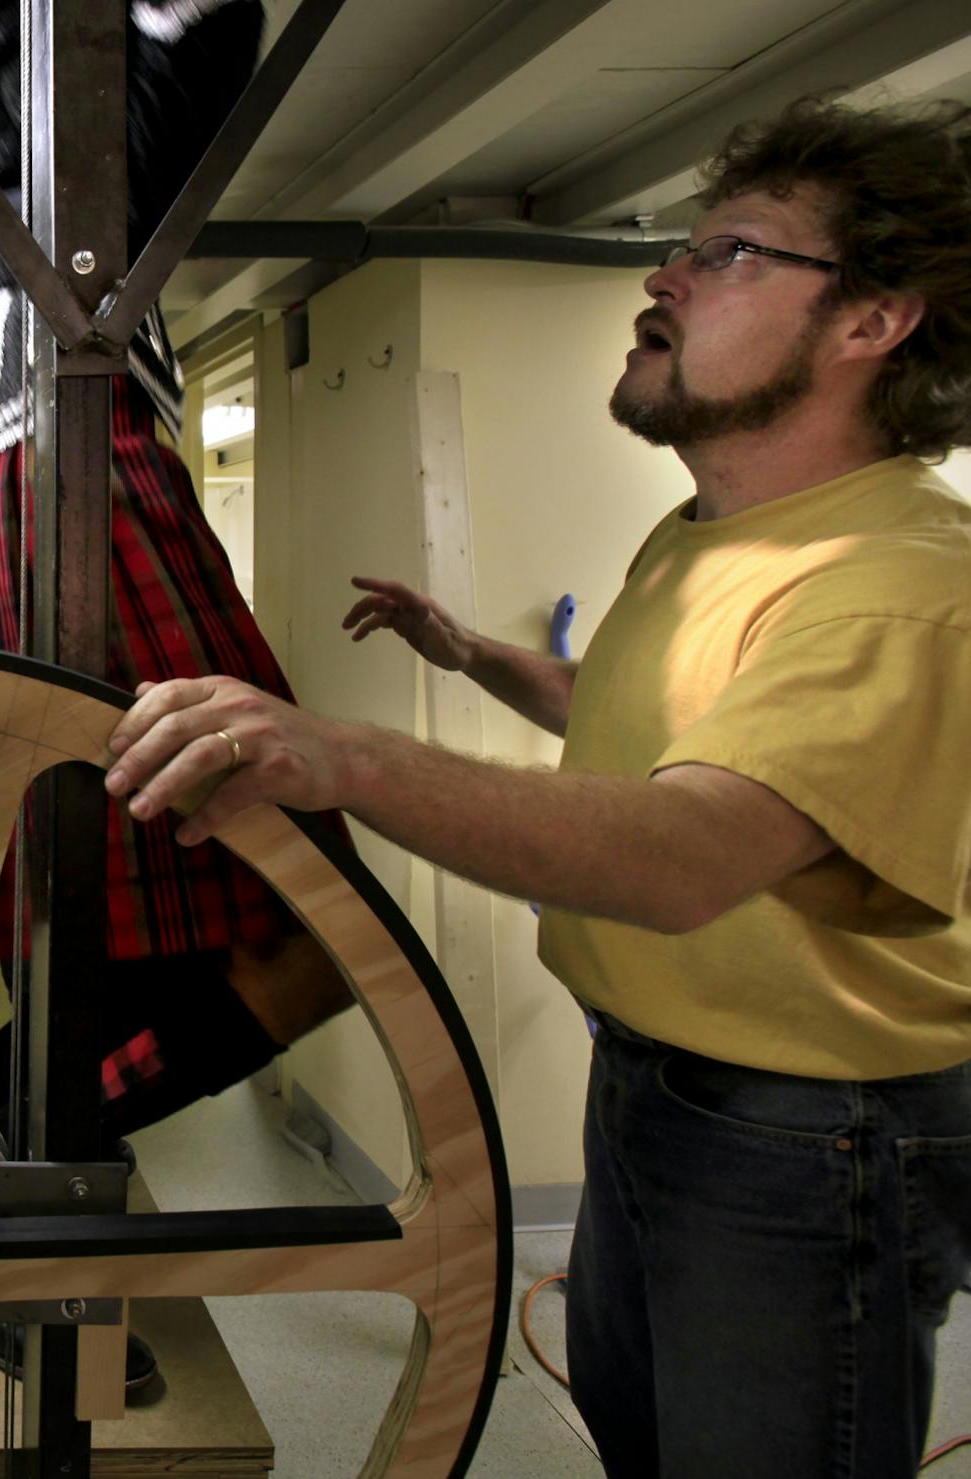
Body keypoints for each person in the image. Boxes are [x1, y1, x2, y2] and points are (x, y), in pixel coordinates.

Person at [105, 96, 971, 1477]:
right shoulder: (708, 533)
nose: (663, 276)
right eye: (684, 246)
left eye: (732, 253)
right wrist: (471, 654)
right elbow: (659, 725)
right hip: (660, 1088)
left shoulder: (896, 583)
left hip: (806, 1137)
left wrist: (344, 751)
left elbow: (692, 843)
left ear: (876, 320)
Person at [0, 0, 355, 1138]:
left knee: (190, 926)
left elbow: (95, 185)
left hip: (25, 432)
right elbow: (96, 197)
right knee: (315, 937)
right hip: (54, 434)